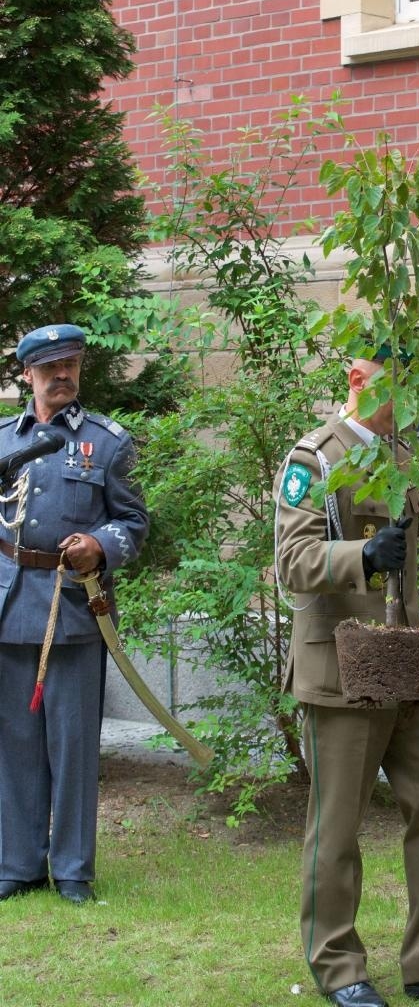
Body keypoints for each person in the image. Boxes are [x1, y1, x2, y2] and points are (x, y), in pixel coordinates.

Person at [274, 350, 419, 1007]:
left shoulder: (404, 456)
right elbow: (291, 561)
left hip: (406, 661)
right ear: (358, 380)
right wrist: (363, 555)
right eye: (398, 384)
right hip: (338, 666)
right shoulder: (314, 457)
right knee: (337, 825)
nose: (415, 396)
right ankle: (339, 968)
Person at [0, 324, 149, 904]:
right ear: (28, 374)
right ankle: (16, 862)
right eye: (51, 367)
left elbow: (134, 523)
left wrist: (101, 546)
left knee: (75, 747)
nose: (63, 375)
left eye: (72, 364)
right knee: (13, 744)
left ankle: (72, 870)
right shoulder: (3, 442)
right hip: (10, 606)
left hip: (72, 609)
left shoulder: (108, 443)